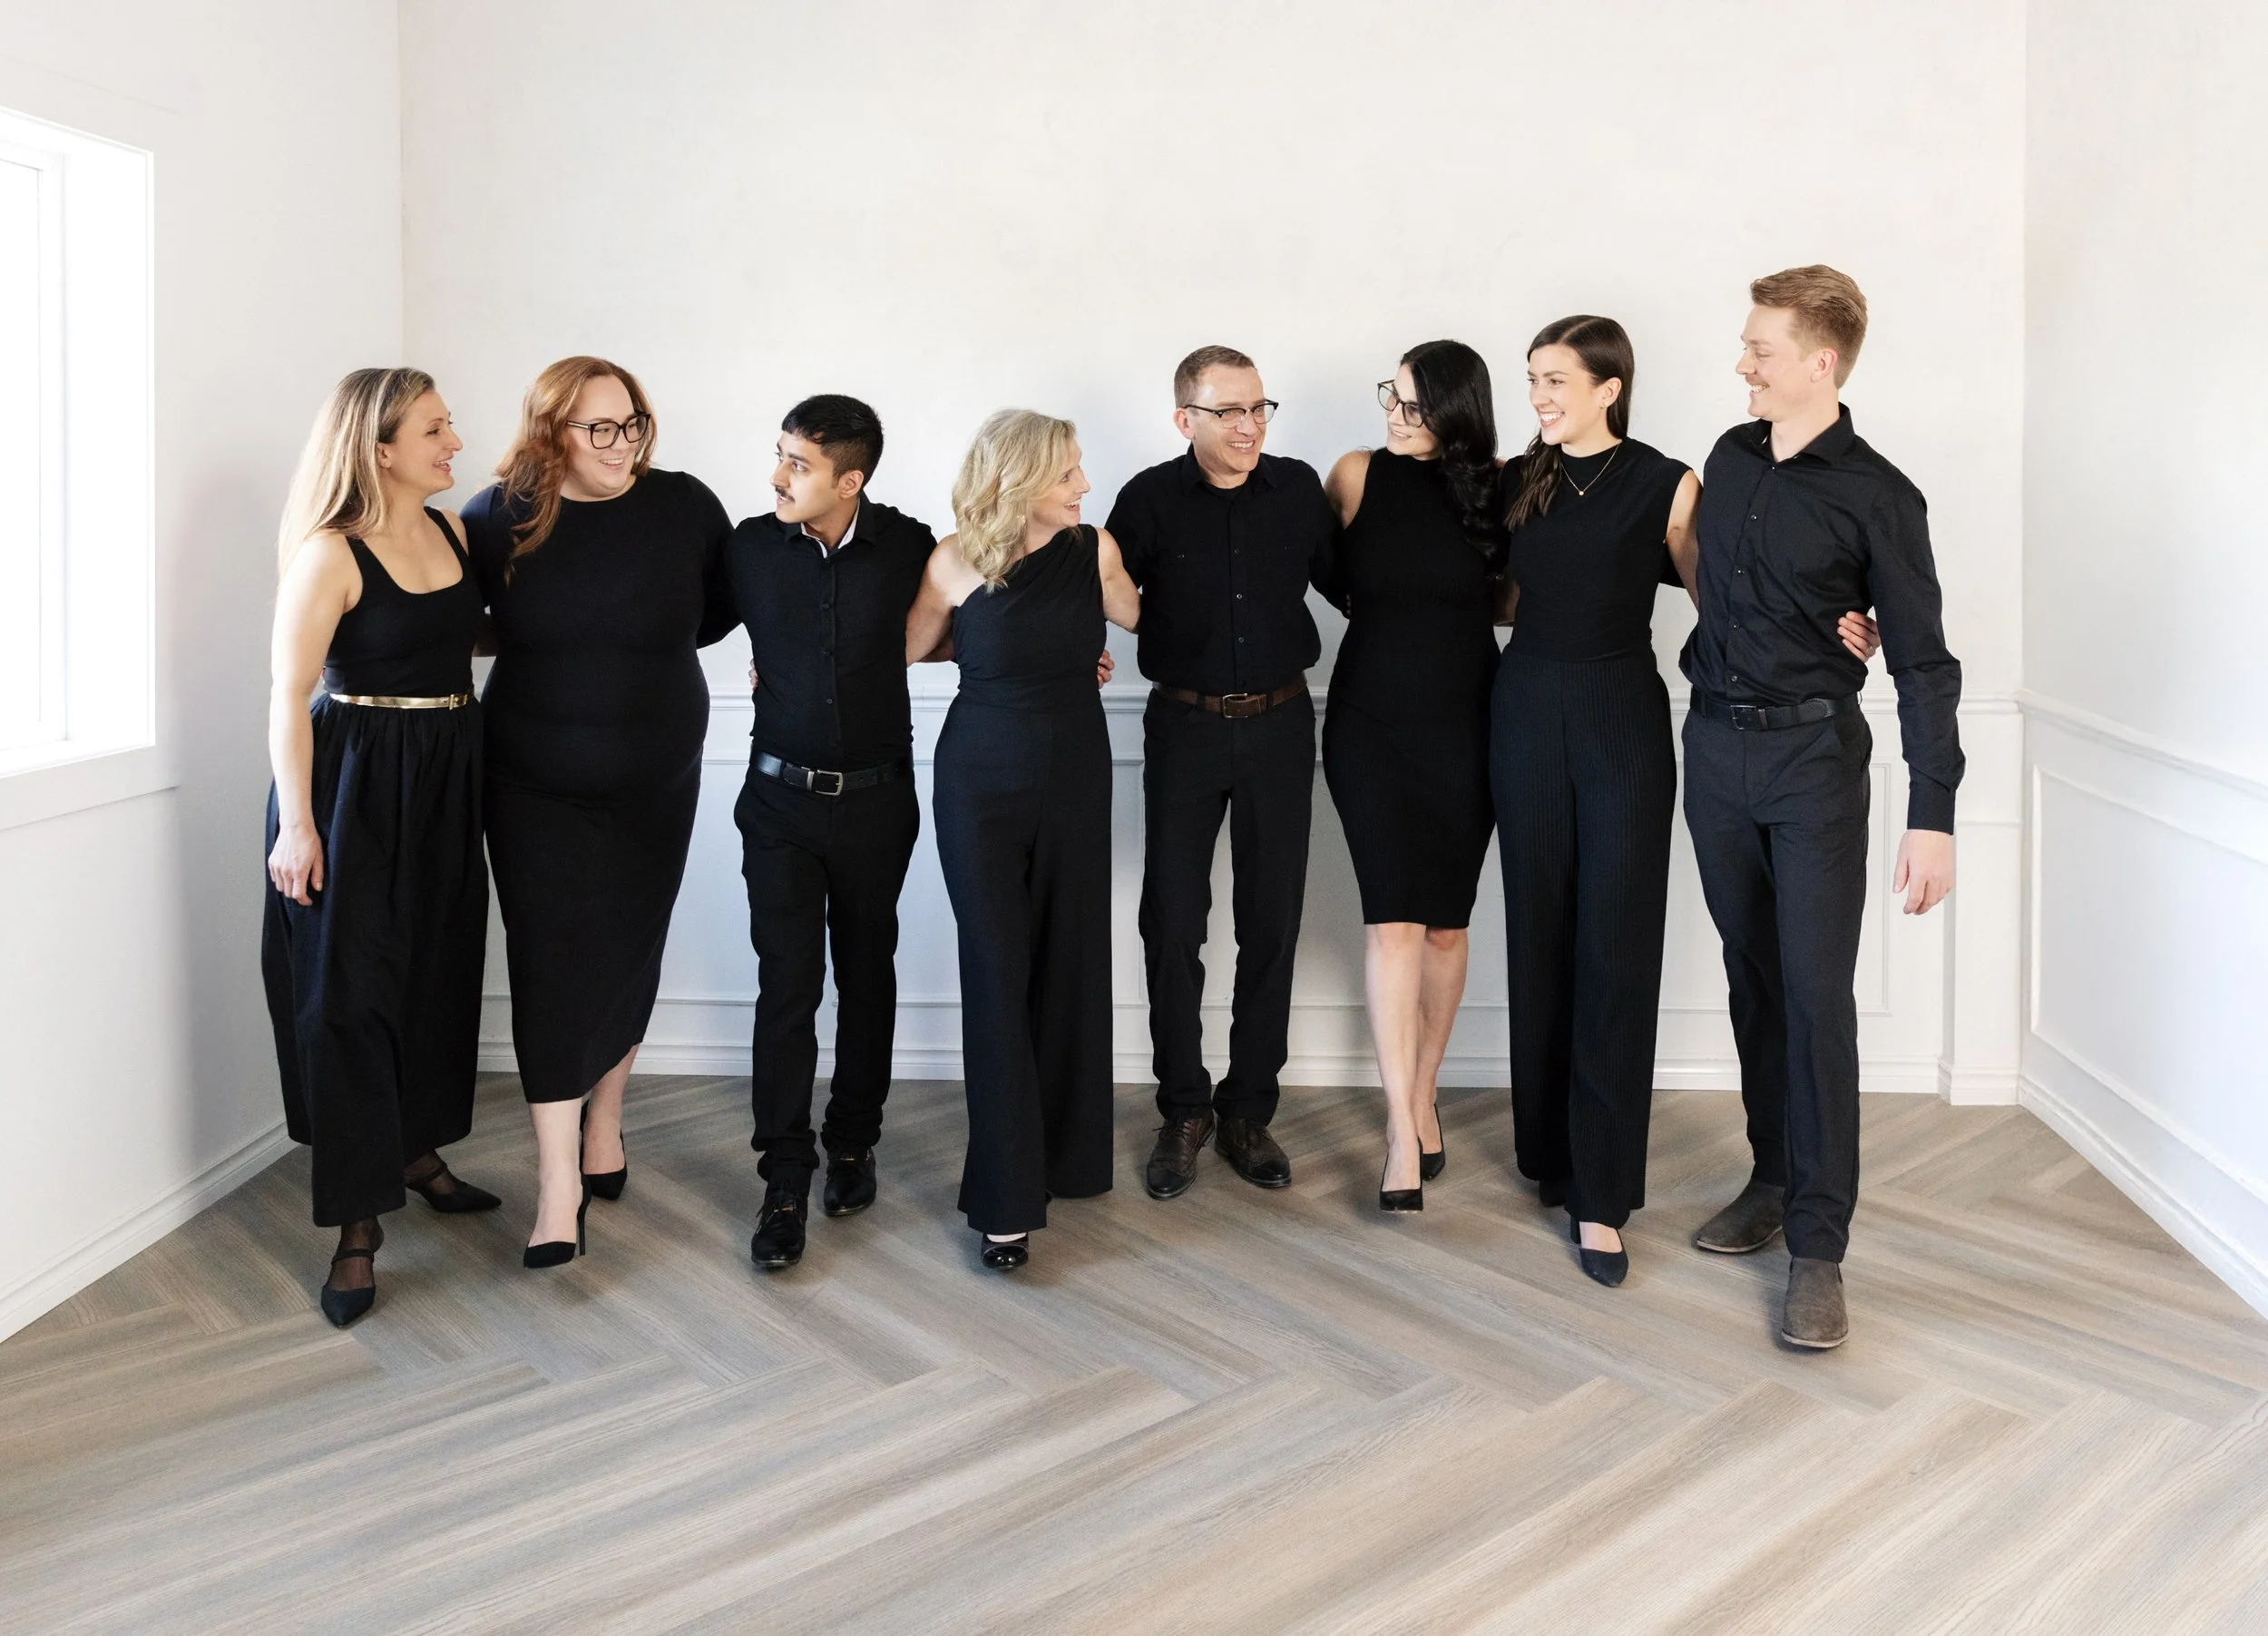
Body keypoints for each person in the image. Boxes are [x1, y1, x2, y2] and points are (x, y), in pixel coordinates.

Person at [1491, 317, 1884, 1288]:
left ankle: (1603, 1197)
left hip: (1624, 721)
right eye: (1531, 379)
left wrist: (1836, 622)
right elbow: (1499, 601)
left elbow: (1734, 597)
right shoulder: (1516, 478)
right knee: (1538, 936)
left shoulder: (1668, 481)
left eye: (1554, 380)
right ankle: (1550, 1155)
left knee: (1615, 949)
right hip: (1524, 715)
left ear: (1607, 388)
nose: (1538, 395)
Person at [1681, 266, 1960, 1349]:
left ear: (1820, 362)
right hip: (1712, 748)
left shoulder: (1881, 495)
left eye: (1759, 347)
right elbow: (1717, 580)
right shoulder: (1729, 456)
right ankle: (1772, 1175)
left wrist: (1931, 810)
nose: (1741, 362)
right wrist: (1810, 621)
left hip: (1810, 762)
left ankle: (1819, 1249)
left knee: (1813, 996)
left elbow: (1926, 664)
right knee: (1752, 978)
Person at [460, 357, 734, 1269]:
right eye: (599, 429)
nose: (622, 445)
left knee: (629, 946)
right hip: (530, 780)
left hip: (658, 773)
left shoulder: (685, 507)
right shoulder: (498, 516)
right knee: (549, 962)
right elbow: (454, 622)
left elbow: (726, 613)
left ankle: (605, 1124)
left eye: (633, 424)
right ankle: (556, 1185)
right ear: (551, 434)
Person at [262, 367, 499, 1327]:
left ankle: (414, 1150)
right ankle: (358, 1224)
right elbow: (287, 693)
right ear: (381, 448)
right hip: (354, 784)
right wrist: (299, 824)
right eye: (437, 429)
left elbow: (462, 645)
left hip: (447, 773)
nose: (455, 443)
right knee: (348, 1000)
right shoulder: (331, 552)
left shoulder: (451, 530)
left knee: (436, 973)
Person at [904, 410, 1141, 1271]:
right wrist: (997, 648)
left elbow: (1145, 623)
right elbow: (909, 648)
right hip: (980, 780)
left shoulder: (1097, 550)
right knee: (997, 970)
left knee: (1073, 957)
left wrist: (1078, 649)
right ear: (1022, 479)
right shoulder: (952, 556)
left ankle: (1071, 1163)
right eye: (1069, 472)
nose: (1084, 484)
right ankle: (1005, 1200)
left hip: (1077, 770)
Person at [710, 397, 935, 1271]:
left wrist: (1064, 651)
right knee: (788, 984)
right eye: (778, 456)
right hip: (777, 804)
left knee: (868, 971)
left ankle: (853, 1142)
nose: (777, 476)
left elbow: (962, 620)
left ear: (852, 480)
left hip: (880, 801)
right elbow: (670, 626)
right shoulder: (746, 547)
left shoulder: (910, 545)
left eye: (797, 464)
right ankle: (784, 1176)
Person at [1106, 347, 1335, 1201]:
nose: (1248, 427)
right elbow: (1092, 578)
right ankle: (1184, 1107)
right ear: (1185, 420)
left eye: (1259, 409)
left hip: (1280, 723)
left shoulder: (1300, 488)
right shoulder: (1147, 499)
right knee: (1173, 919)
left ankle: (1248, 1109)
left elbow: (1358, 587)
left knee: (1271, 918)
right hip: (1185, 724)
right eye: (1228, 412)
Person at [1322, 342, 1502, 1213]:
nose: (1395, 415)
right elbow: (1325, 571)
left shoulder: (1501, 489)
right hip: (1369, 726)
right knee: (1393, 921)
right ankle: (1400, 1123)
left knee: (1442, 928)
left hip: (1471, 725)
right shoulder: (1355, 474)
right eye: (1390, 397)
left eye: (1415, 405)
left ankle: (1425, 1090)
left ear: (1457, 411)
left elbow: (1514, 597)